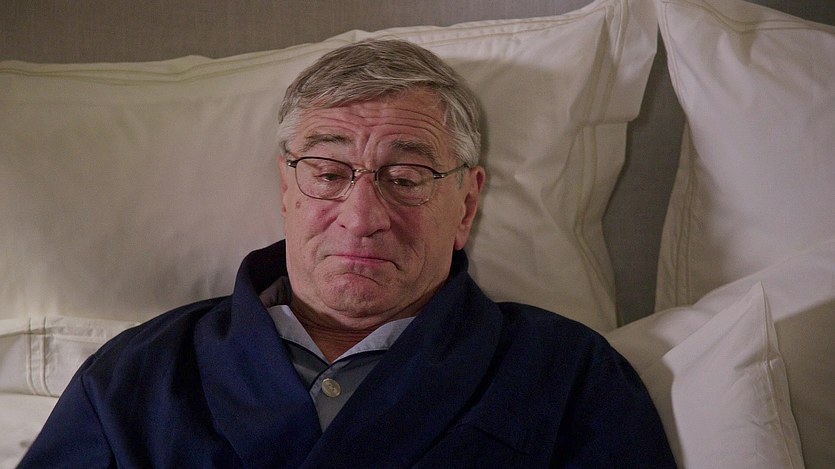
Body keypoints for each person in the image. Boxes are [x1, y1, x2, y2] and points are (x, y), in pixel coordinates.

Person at [20, 39, 676, 468]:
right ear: (286, 188)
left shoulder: (567, 376)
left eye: (407, 177)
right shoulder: (138, 376)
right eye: (329, 173)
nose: (362, 218)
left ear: (466, 204)